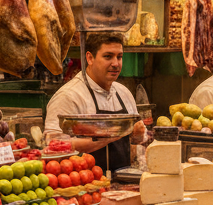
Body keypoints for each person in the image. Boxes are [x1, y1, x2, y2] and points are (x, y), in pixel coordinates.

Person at [43, 32, 146, 173]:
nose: (115, 63)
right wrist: (116, 134)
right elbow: (54, 146)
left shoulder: (124, 94)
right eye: (108, 56)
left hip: (123, 186)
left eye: (119, 57)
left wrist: (137, 135)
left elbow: (135, 144)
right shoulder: (69, 96)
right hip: (84, 186)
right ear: (90, 58)